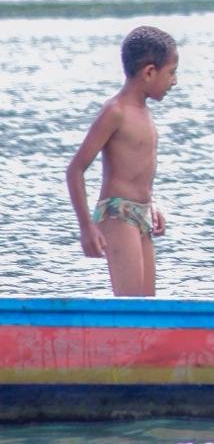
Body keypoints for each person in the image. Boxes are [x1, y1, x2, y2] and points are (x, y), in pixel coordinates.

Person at [65, 26, 178, 297]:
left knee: (148, 306)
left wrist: (151, 205)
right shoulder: (115, 112)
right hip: (118, 214)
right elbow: (75, 170)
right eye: (171, 73)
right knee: (131, 305)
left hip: (142, 213)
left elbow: (135, 170)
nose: (174, 81)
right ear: (149, 72)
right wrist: (86, 227)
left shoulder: (144, 112)